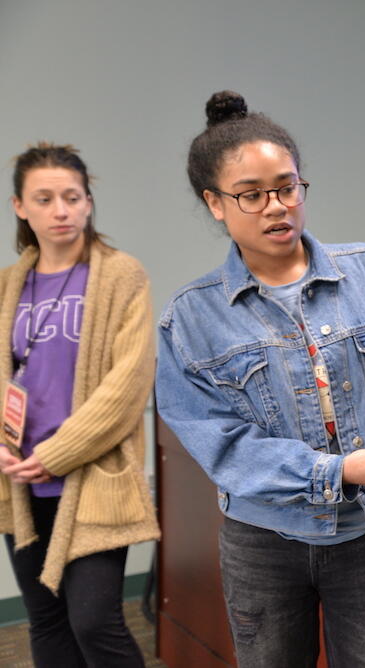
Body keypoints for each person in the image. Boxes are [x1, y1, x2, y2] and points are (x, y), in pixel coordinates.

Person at [155, 91, 365, 667]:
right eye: (251, 195)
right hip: (262, 541)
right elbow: (224, 446)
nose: (276, 206)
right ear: (215, 203)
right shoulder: (190, 318)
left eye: (287, 187)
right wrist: (332, 472)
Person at [0, 143, 159, 667]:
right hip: (19, 481)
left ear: (88, 202)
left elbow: (127, 385)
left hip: (91, 476)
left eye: (72, 197)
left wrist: (58, 452)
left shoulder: (120, 275)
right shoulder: (7, 285)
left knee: (94, 621)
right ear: (20, 206)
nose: (60, 210)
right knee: (45, 622)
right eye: (44, 199)